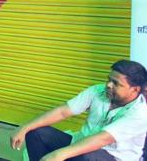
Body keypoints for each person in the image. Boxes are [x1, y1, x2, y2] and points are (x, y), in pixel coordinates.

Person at [10, 59, 147, 161]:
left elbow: (102, 139)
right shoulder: (97, 91)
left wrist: (59, 154)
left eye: (116, 83)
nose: (108, 85)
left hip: (114, 157)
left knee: (86, 157)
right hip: (81, 143)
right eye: (109, 79)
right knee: (36, 133)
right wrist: (25, 127)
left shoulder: (139, 113)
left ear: (134, 89)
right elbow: (63, 112)